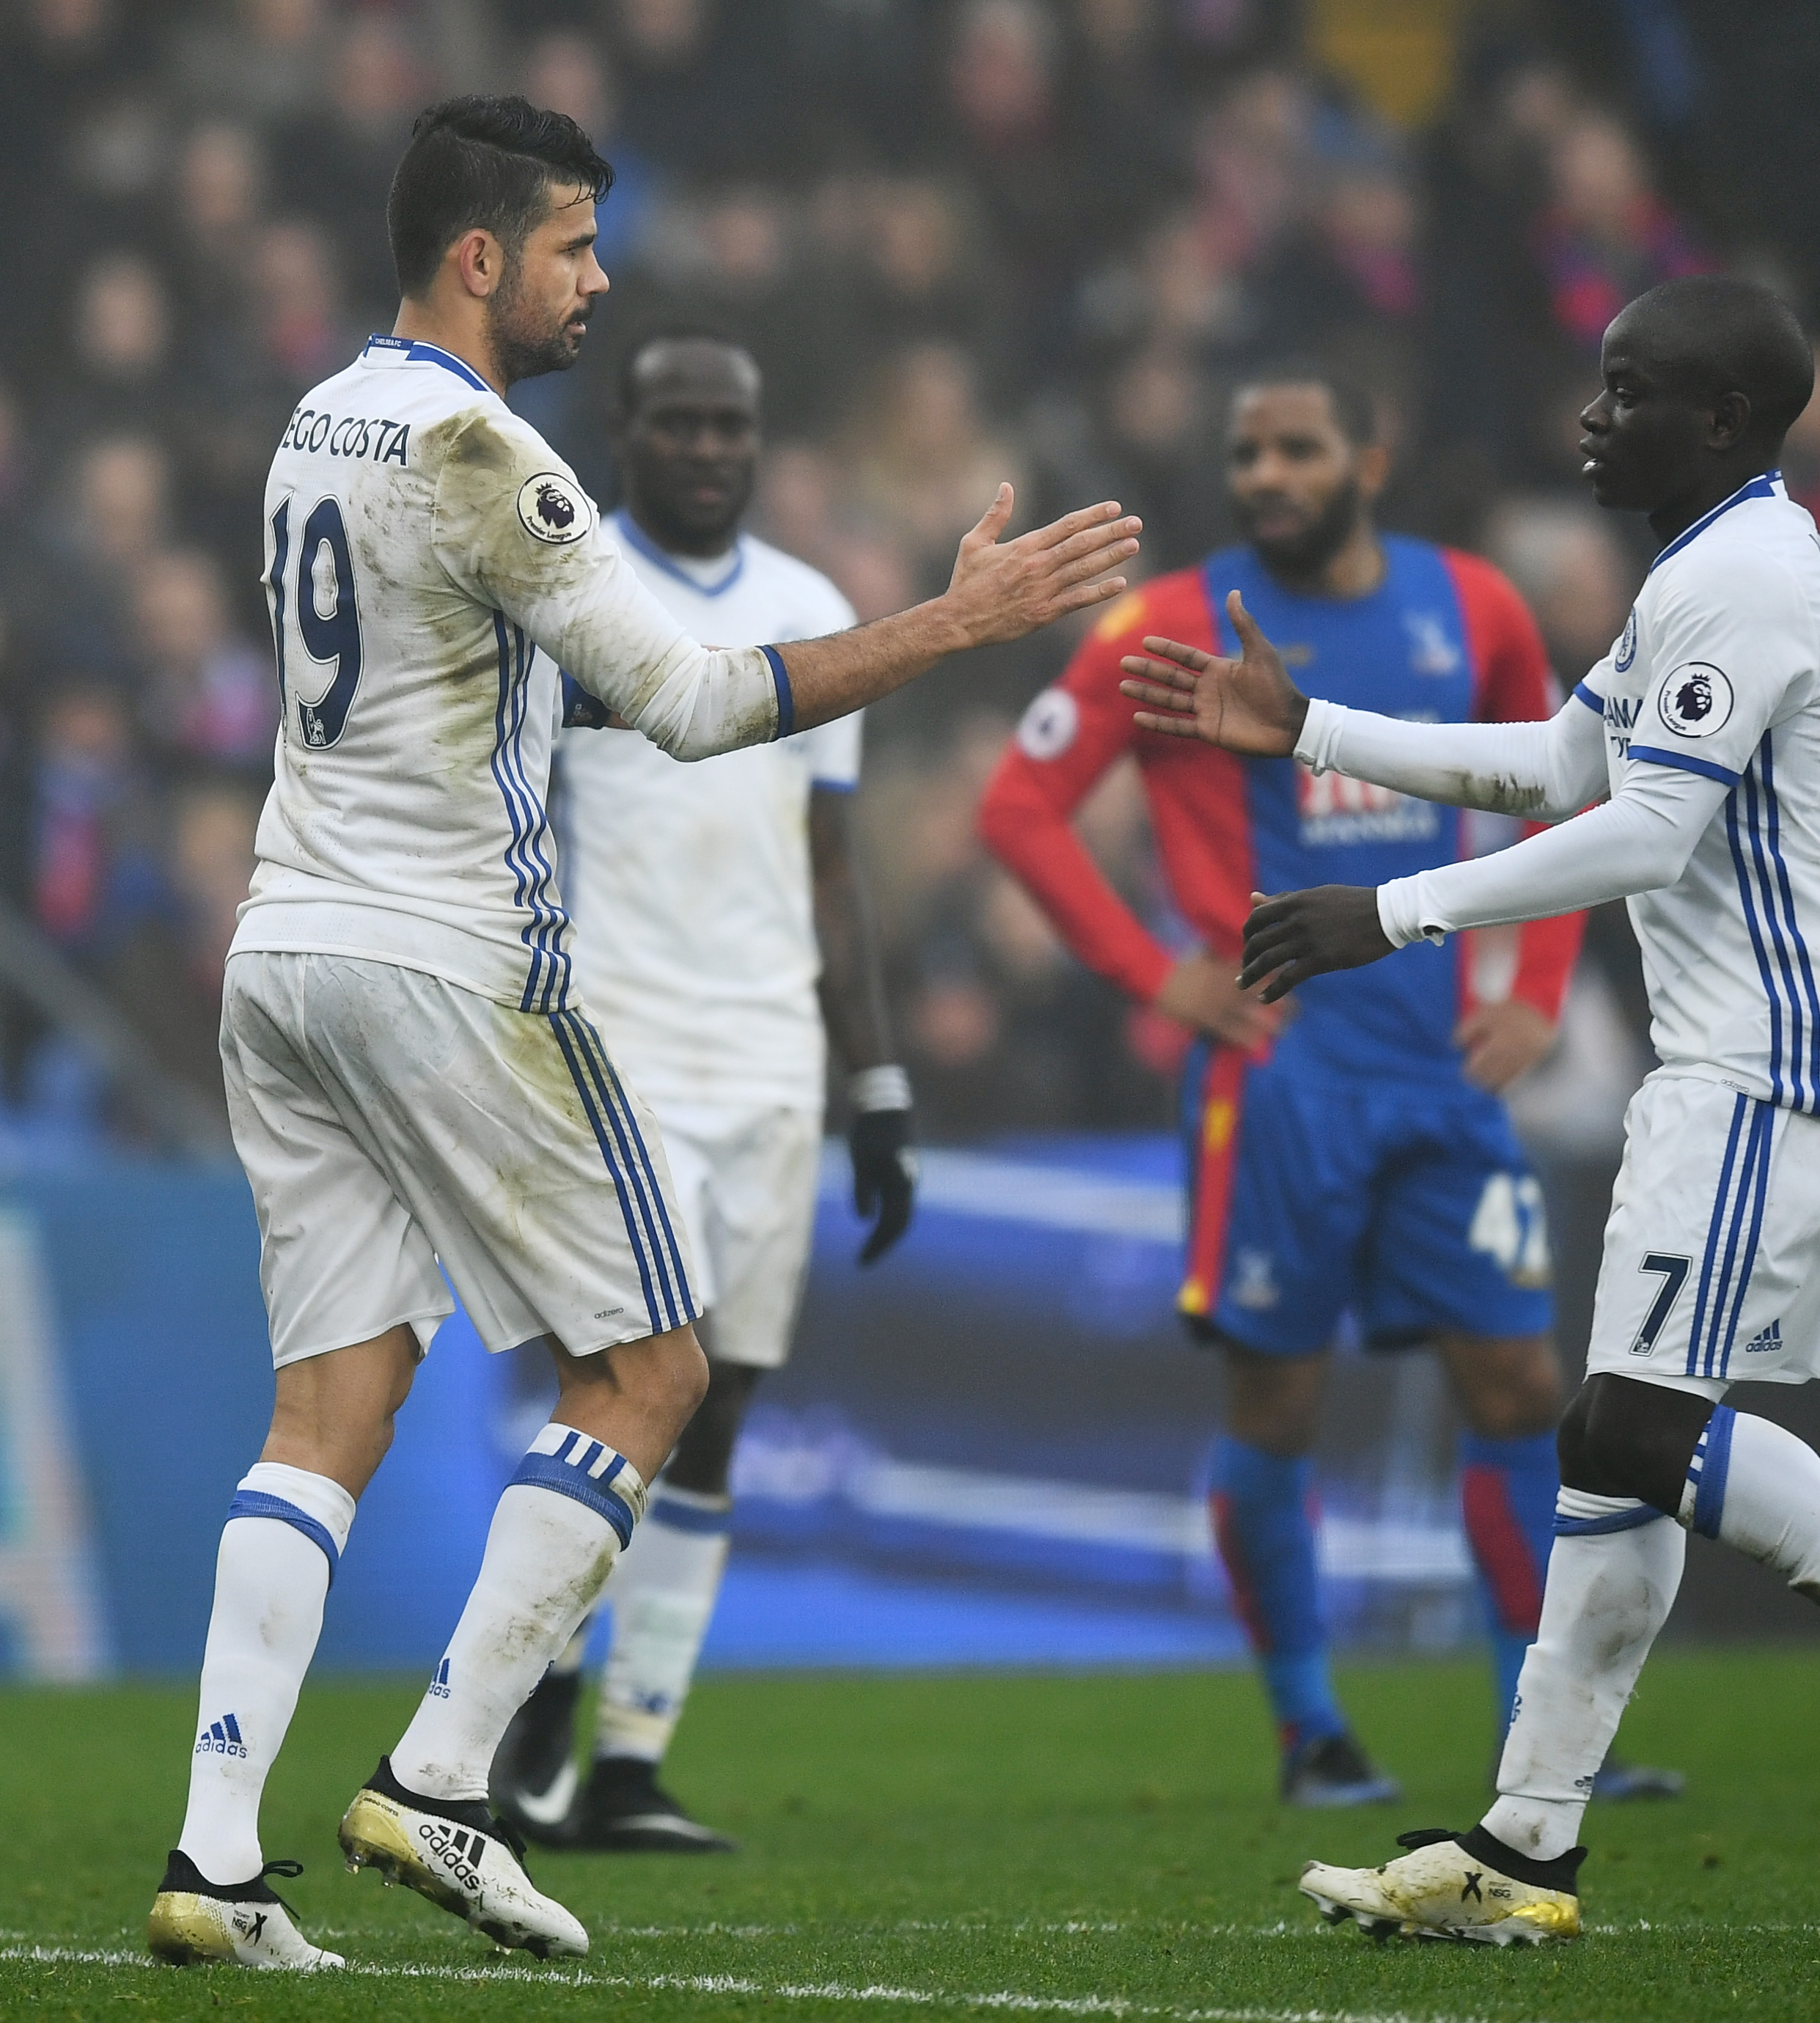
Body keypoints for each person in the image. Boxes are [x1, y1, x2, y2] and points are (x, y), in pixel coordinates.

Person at [145, 95, 1137, 1972]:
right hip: (450, 961)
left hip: (286, 950)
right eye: (575, 245)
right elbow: (684, 699)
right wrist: (958, 619)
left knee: (326, 1414)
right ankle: (443, 1781)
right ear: (478, 257)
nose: (599, 280)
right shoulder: (481, 446)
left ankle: (212, 1864)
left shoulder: (318, 419)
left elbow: (478, 681)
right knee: (657, 1374)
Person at [1120, 275, 1820, 1942]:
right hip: (1739, 1058)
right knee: (1613, 1455)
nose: (1588, 417)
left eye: (1625, 389)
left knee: (1625, 1434)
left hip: (1777, 1063)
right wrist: (1317, 732)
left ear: (1717, 419)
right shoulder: (1700, 567)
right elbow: (1563, 770)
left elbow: (1643, 837)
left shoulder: (1736, 577)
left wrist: (1394, 914)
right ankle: (1523, 1852)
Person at [980, 364, 1619, 1807]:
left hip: (1442, 1082)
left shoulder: (1474, 610)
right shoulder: (1160, 626)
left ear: (1369, 457)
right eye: (1243, 451)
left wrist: (1530, 990)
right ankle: (1307, 1729)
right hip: (1275, 1087)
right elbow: (1014, 810)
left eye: (1295, 447)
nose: (1263, 473)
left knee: (1518, 1384)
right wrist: (1158, 978)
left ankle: (1547, 1734)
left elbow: (1565, 791)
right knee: (1278, 1406)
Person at [486, 331, 917, 1854]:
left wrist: (872, 1078)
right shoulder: (564, 588)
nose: (704, 447)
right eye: (674, 420)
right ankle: (527, 1706)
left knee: (723, 1405)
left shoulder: (811, 613)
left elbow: (828, 867)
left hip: (768, 1060)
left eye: (727, 423)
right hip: (616, 1048)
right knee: (625, 1386)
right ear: (622, 430)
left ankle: (627, 1760)